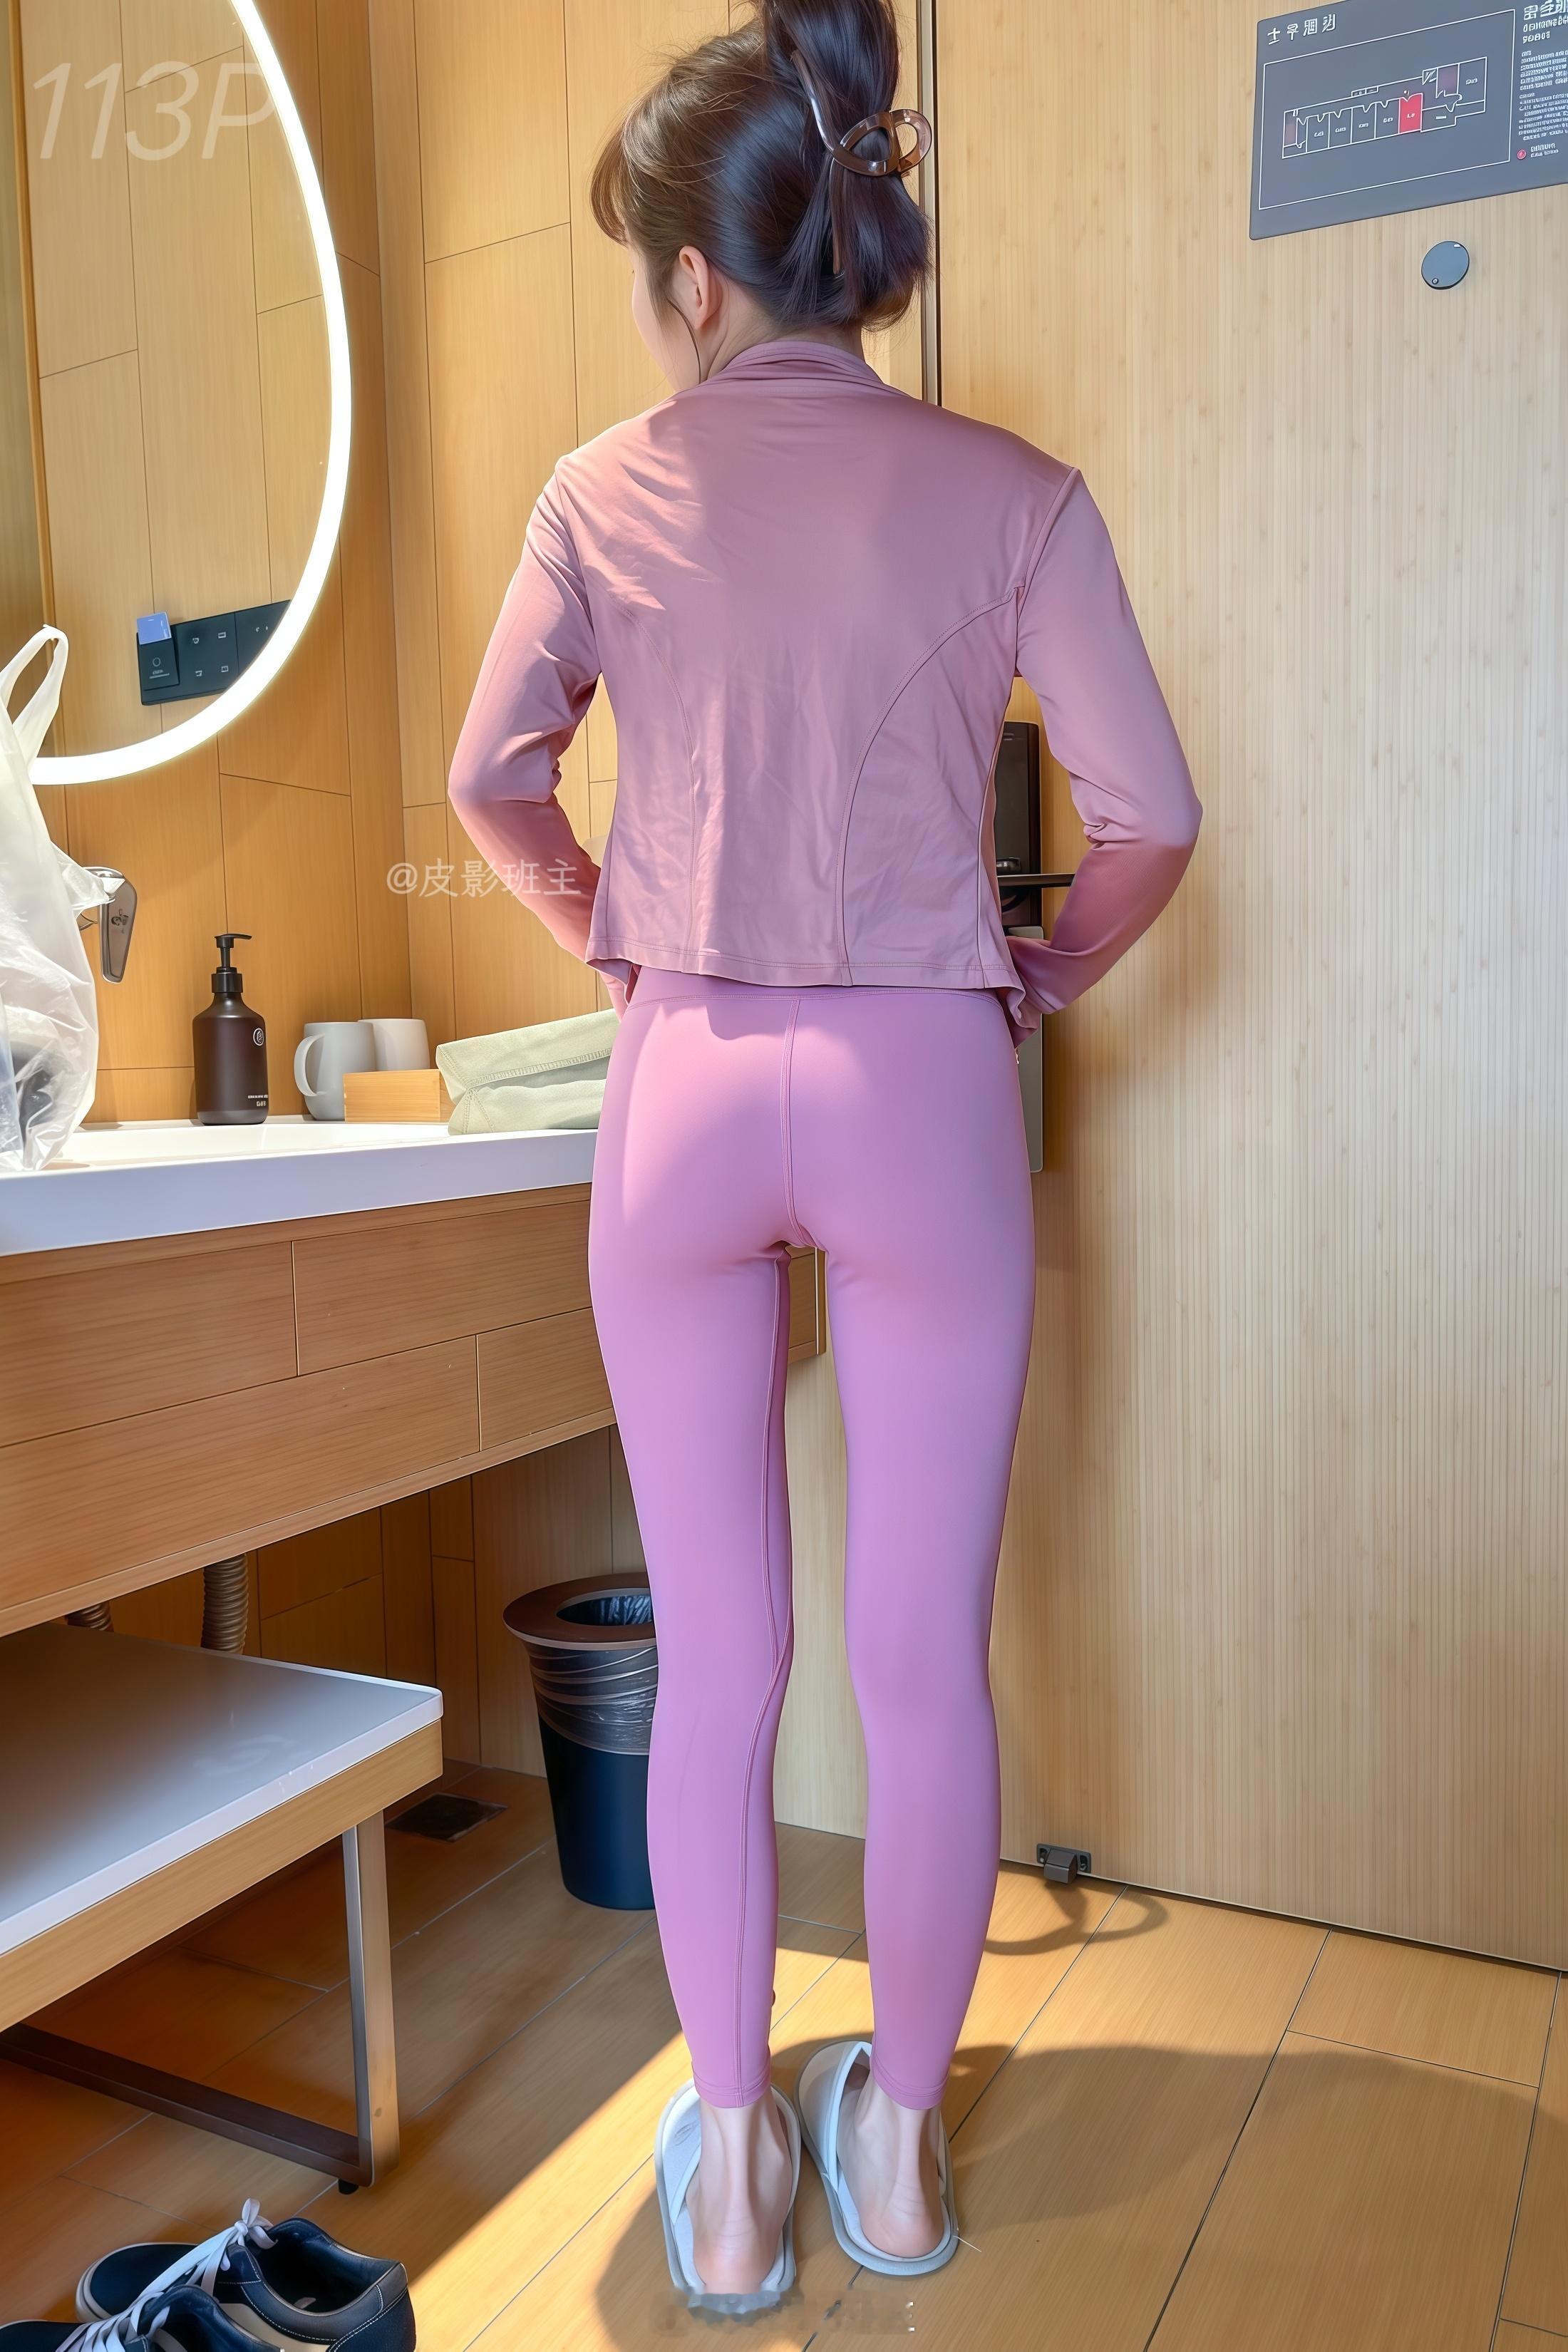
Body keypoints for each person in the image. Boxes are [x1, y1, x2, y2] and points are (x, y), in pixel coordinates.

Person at [448, 0, 1200, 2309]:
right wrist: (1034, 972)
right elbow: (1154, 819)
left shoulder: (599, 490)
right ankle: (898, 2153)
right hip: (924, 1093)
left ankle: (734, 2169)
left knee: (722, 1652)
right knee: (921, 1655)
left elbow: (492, 780)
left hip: (682, 1083)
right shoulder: (1016, 492)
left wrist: (610, 923)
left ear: (697, 279)